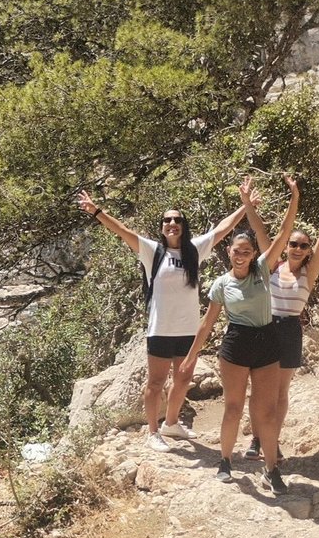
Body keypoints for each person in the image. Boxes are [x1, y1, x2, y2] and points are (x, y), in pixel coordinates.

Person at [77, 188, 247, 452]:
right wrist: (96, 211)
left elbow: (224, 229)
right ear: (162, 227)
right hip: (160, 329)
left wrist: (245, 205)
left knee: (183, 379)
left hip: (188, 329)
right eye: (167, 220)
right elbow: (122, 231)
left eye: (177, 220)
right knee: (155, 383)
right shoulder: (152, 251)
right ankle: (153, 433)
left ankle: (171, 422)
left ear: (183, 226)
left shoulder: (193, 250)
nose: (172, 224)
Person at [182, 176, 299, 495]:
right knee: (233, 407)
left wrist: (293, 197)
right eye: (237, 250)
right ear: (229, 252)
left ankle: (272, 470)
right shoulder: (221, 284)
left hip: (266, 342)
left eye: (247, 250)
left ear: (252, 253)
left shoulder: (263, 269)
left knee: (267, 411)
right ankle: (225, 462)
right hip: (235, 345)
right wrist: (192, 356)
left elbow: (285, 233)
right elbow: (207, 324)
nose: (241, 255)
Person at [243, 180, 319, 460]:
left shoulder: (309, 272)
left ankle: (272, 442)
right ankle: (256, 440)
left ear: (307, 250)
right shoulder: (273, 266)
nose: (296, 248)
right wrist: (246, 202)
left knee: (280, 393)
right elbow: (260, 231)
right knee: (259, 390)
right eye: (293, 243)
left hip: (290, 330)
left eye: (303, 245)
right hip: (265, 328)